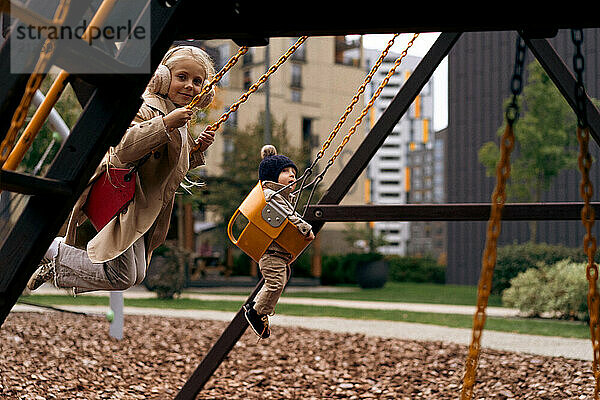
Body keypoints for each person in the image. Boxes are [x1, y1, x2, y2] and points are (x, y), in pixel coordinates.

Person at [27, 45, 216, 295]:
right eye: (182, 77)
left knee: (137, 274)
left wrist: (195, 151)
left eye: (197, 81)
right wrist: (165, 124)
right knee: (123, 275)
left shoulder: (179, 118)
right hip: (124, 197)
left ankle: (55, 265)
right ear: (163, 77)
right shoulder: (149, 107)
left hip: (143, 205)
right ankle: (51, 251)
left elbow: (166, 169)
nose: (190, 86)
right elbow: (124, 146)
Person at [243, 145, 315, 339]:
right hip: (271, 253)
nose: (292, 176)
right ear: (271, 177)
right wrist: (305, 228)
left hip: (278, 253)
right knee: (275, 284)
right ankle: (257, 313)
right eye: (285, 172)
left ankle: (256, 307)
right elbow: (288, 216)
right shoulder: (270, 195)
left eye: (294, 172)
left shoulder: (282, 197)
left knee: (278, 282)